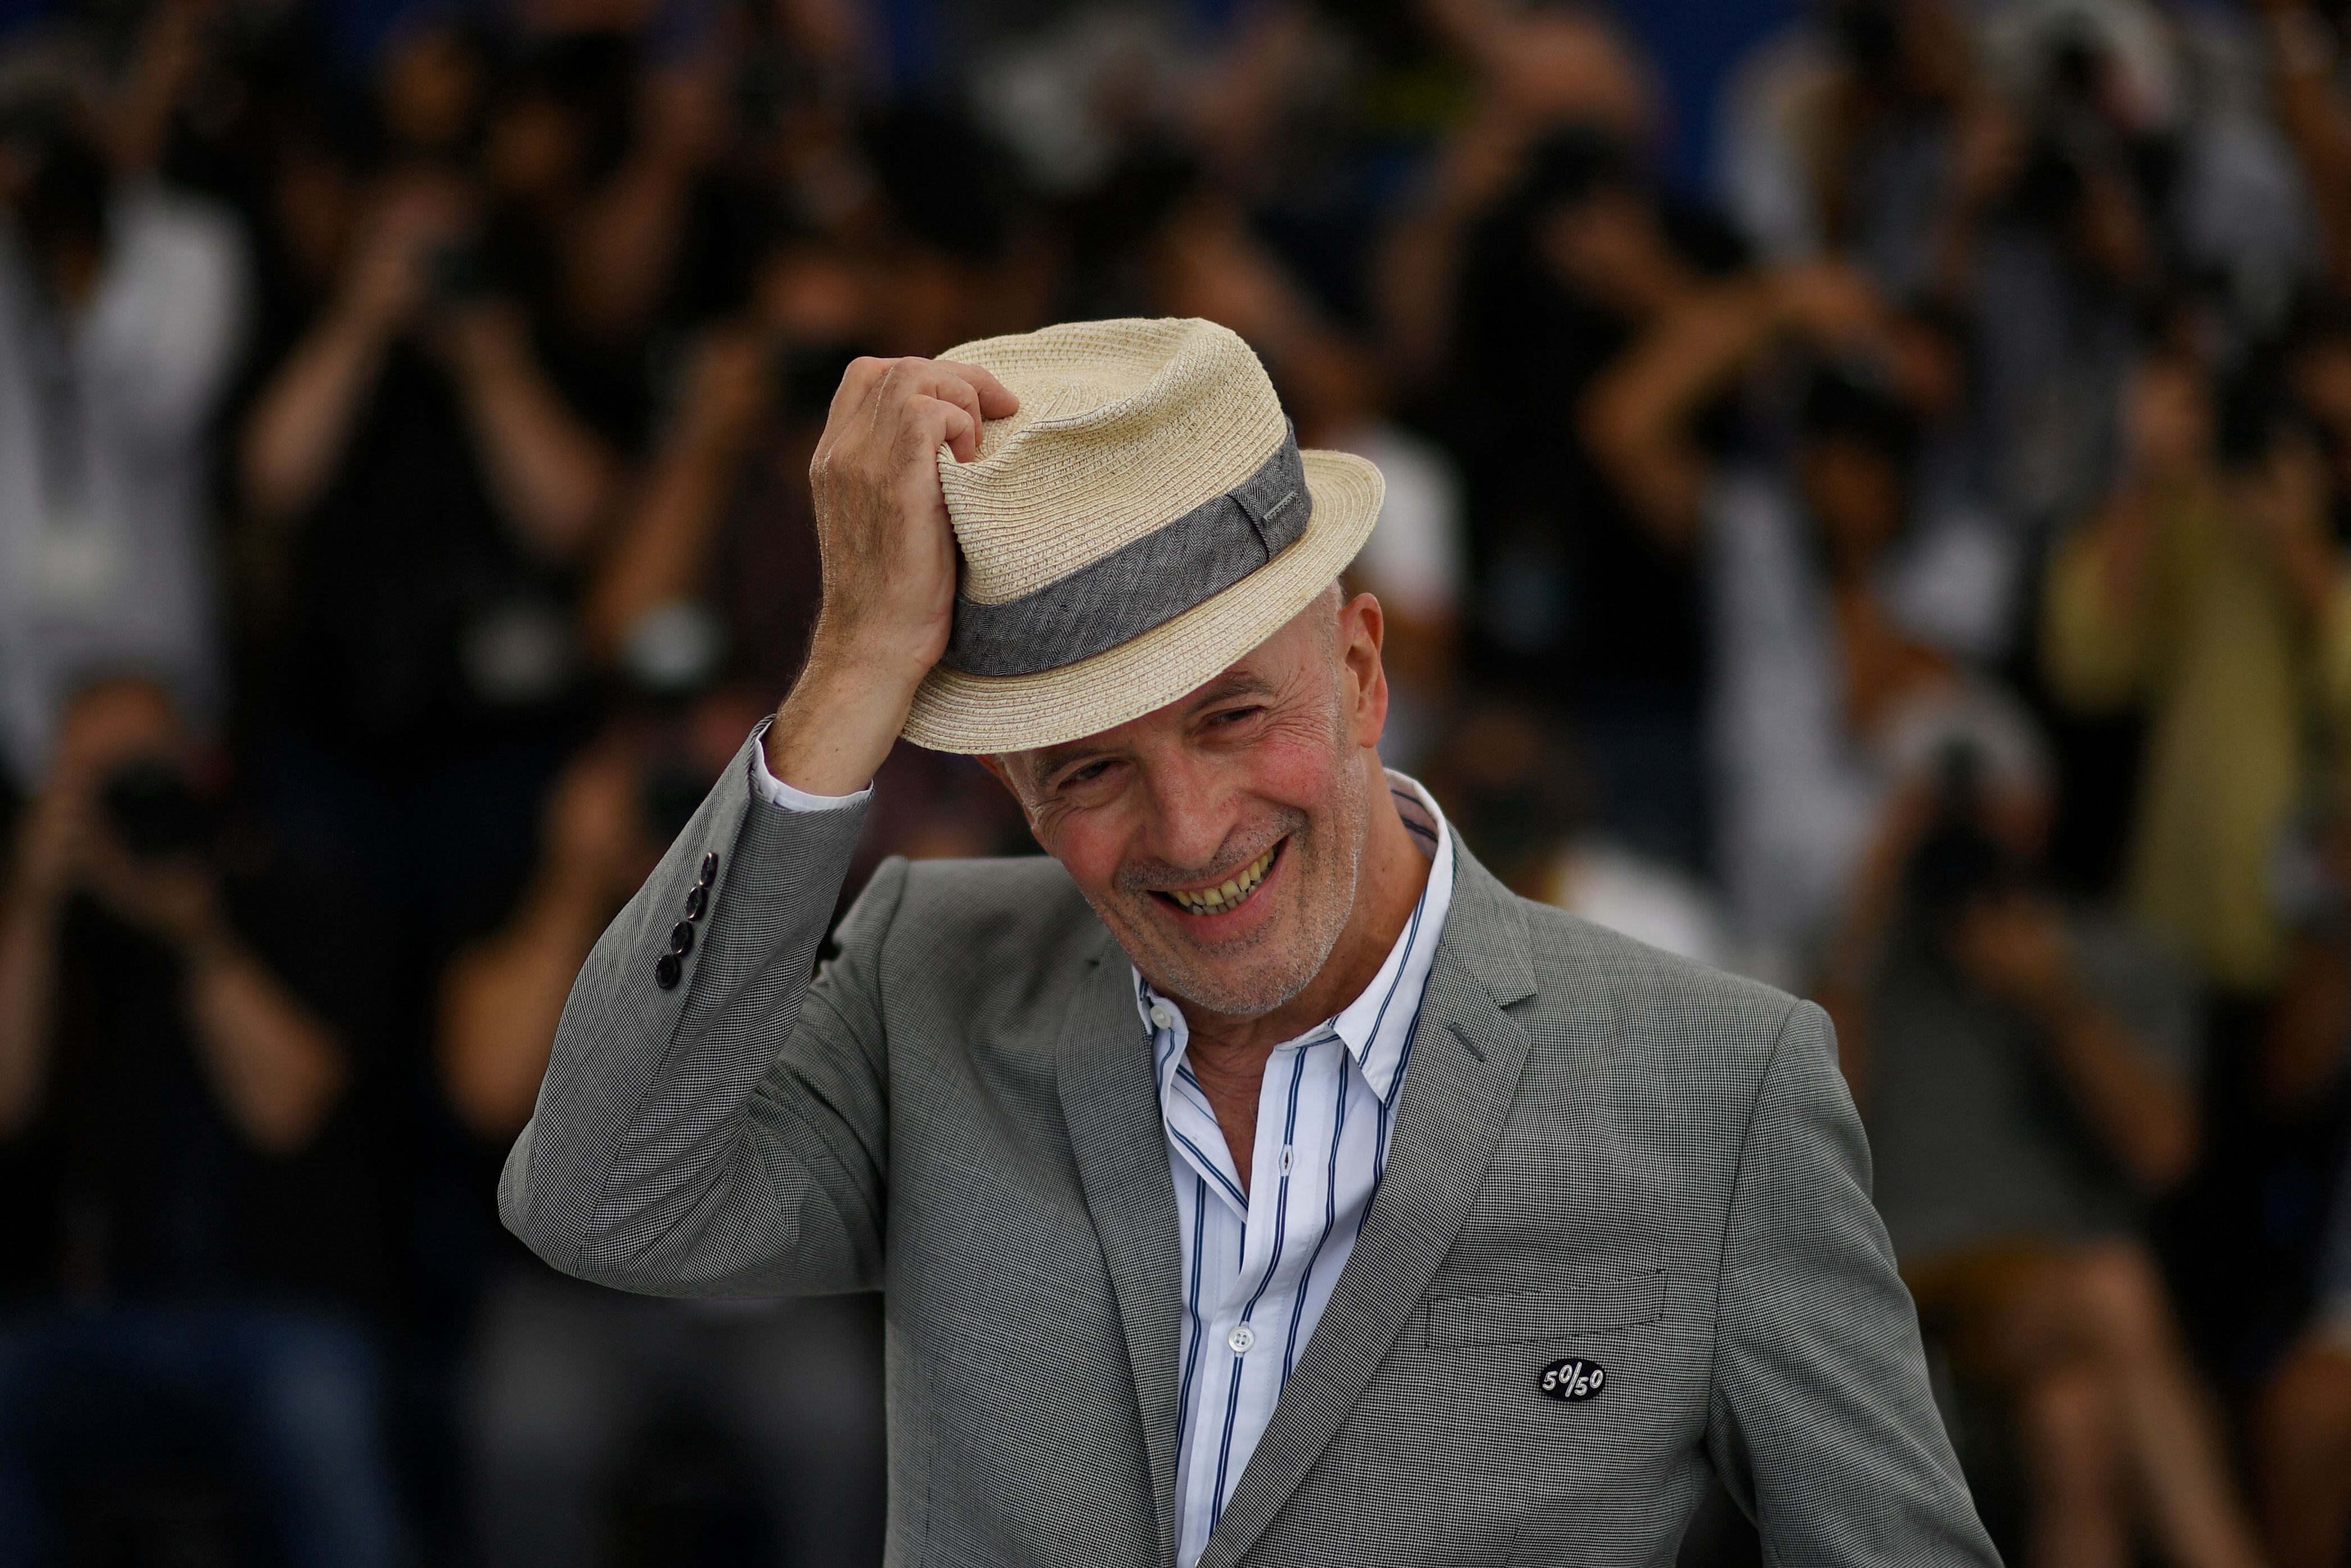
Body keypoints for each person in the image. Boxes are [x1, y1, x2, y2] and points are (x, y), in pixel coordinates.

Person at [501, 316, 1996, 1565]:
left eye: (1233, 715)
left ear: (1361, 670)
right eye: (1092, 767)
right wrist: (849, 669)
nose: (1193, 829)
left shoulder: (1722, 1087)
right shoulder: (927, 975)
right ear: (1013, 788)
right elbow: (601, 1199)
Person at [442, 687, 884, 1568]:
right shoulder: (543, 889)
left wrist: (750, 859)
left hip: (764, 1291)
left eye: (706, 753)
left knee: (844, 1428)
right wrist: (577, 881)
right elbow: (486, 1090)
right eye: (658, 748)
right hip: (574, 1292)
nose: (683, 781)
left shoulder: (817, 875)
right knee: (528, 1437)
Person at [1823, 725, 2270, 1568]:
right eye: (1938, 809)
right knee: (2116, 1286)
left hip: (2047, 1292)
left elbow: (2165, 1152)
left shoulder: (2112, 957)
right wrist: (1865, 921)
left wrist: (2054, 1001)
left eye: (1981, 806)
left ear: (2035, 812)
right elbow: (1816, 1133)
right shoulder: (1865, 960)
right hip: (1910, 1290)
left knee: (2076, 1418)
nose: (1961, 830)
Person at [0, 676, 405, 1568]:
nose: (123, 798)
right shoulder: (51, 917)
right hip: (97, 1314)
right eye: (92, 776)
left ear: (200, 765)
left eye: (140, 769)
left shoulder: (290, 881)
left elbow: (286, 1109)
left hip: (281, 1309)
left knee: (323, 1426)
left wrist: (194, 935)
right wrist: (31, 905)